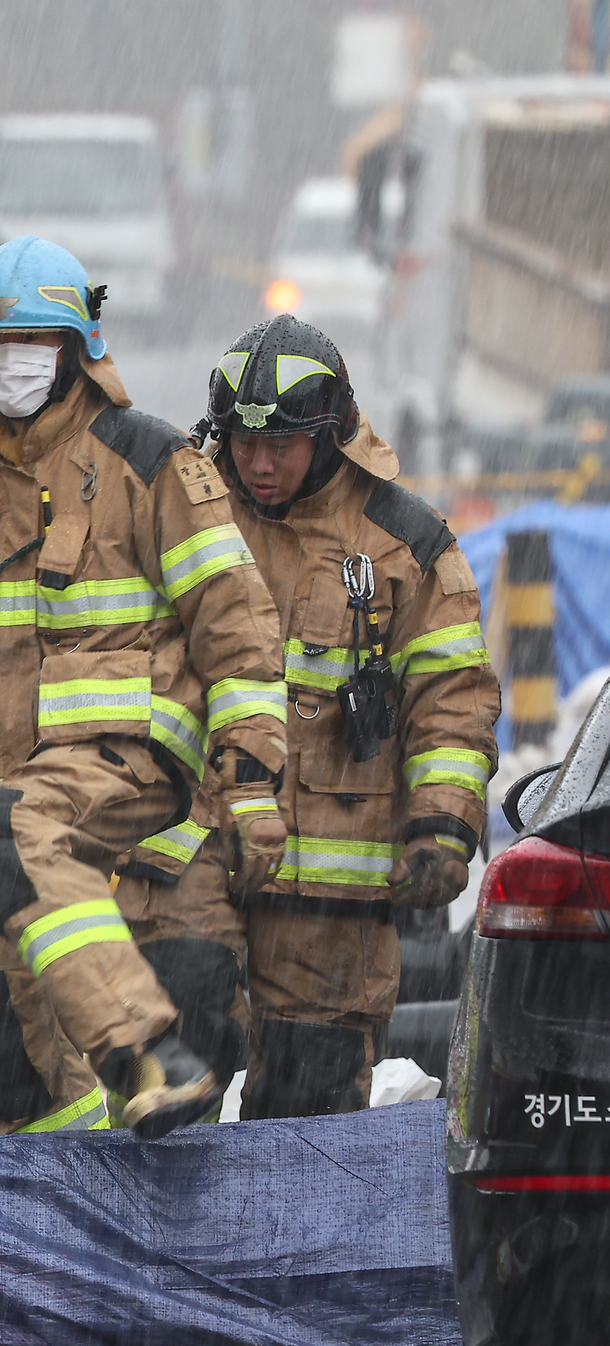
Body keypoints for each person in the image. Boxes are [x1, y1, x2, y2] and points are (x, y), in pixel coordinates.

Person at [0, 236, 290, 1138]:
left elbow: (239, 633)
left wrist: (250, 787)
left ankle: (146, 1055)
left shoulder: (153, 463)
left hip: (125, 761)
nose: (11, 365)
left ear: (78, 349)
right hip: (1, 805)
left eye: (35, 345)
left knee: (22, 828)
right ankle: (97, 1186)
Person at [117, 315, 499, 1118]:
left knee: (308, 1114)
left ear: (332, 435)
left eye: (281, 445)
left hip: (333, 889)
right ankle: (167, 1245)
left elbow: (452, 698)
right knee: (172, 1059)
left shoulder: (404, 546)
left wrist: (440, 826)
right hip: (196, 848)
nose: (258, 463)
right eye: (243, 443)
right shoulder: (183, 513)